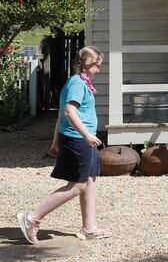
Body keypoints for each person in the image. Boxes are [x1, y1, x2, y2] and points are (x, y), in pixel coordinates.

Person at [17, 46, 112, 244]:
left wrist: (54, 141)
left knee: (90, 180)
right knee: (77, 185)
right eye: (97, 66)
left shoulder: (80, 82)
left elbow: (61, 113)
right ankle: (32, 218)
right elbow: (69, 112)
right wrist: (86, 135)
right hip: (78, 139)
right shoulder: (77, 83)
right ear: (87, 64)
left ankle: (89, 228)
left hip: (84, 139)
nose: (99, 70)